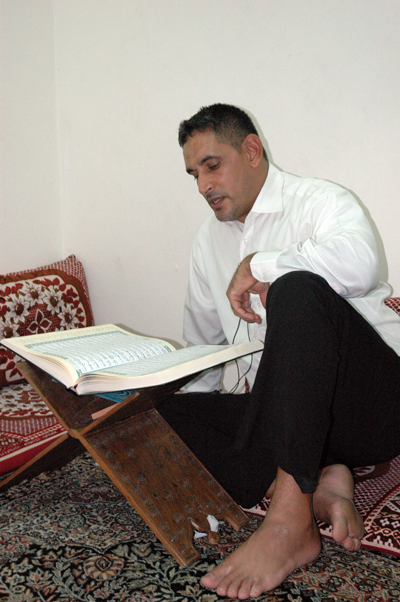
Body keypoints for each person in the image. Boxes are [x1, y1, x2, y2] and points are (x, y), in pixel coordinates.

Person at [158, 103, 400, 599]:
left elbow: (362, 265)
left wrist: (261, 264)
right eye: (193, 174)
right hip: (292, 420)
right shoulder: (207, 241)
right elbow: (203, 348)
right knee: (156, 410)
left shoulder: (319, 200)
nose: (203, 186)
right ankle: (323, 477)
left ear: (251, 150)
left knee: (295, 288)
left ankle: (291, 523)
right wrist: (190, 409)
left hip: (372, 406)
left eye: (211, 165)